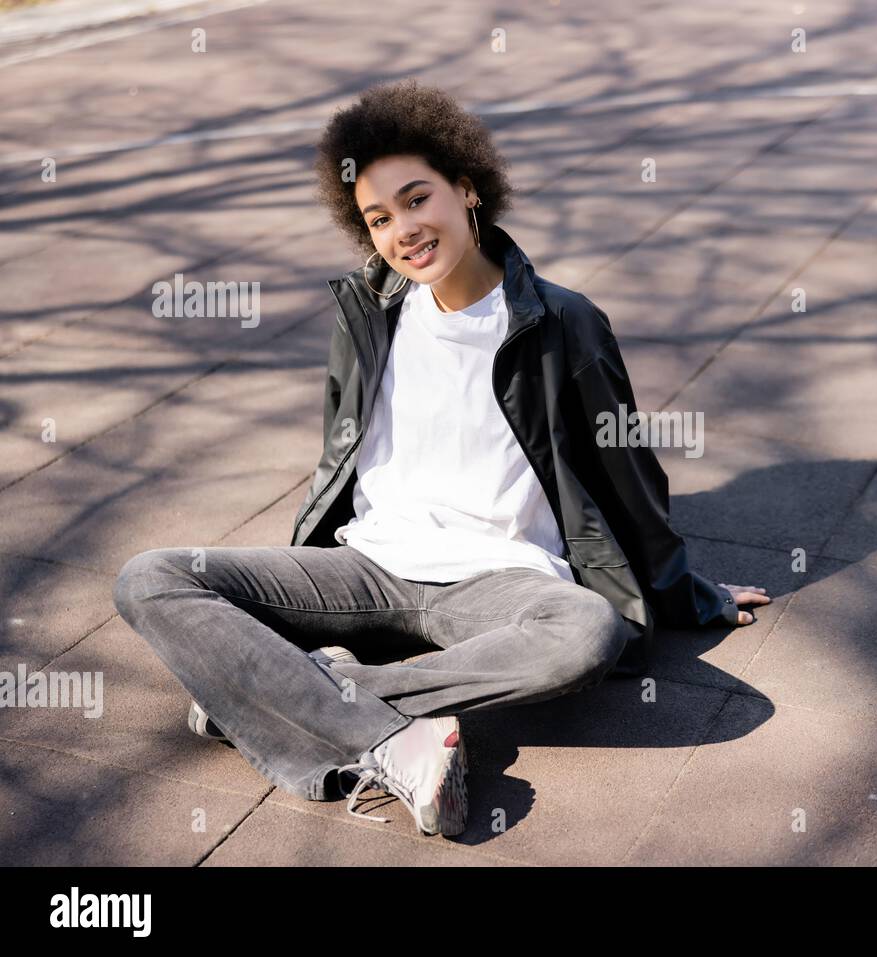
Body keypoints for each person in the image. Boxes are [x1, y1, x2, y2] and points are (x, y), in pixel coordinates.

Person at [112, 79, 770, 839]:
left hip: (501, 578)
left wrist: (685, 591)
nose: (405, 230)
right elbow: (341, 456)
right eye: (379, 218)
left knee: (589, 631)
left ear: (467, 188)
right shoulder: (369, 315)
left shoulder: (563, 322)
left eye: (418, 199)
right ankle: (383, 730)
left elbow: (626, 476)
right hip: (367, 568)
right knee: (153, 576)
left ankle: (302, 694)